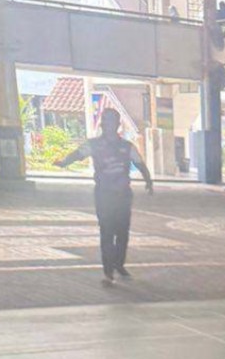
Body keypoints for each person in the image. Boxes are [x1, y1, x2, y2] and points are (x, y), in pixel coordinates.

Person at [55, 108, 154, 285]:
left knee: (122, 233)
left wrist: (149, 181)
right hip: (104, 195)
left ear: (117, 125)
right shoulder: (94, 145)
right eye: (106, 122)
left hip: (123, 195)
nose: (109, 126)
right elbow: (78, 154)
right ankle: (108, 270)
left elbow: (139, 163)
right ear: (102, 124)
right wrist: (63, 163)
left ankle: (119, 264)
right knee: (107, 232)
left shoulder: (126, 146)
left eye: (113, 122)